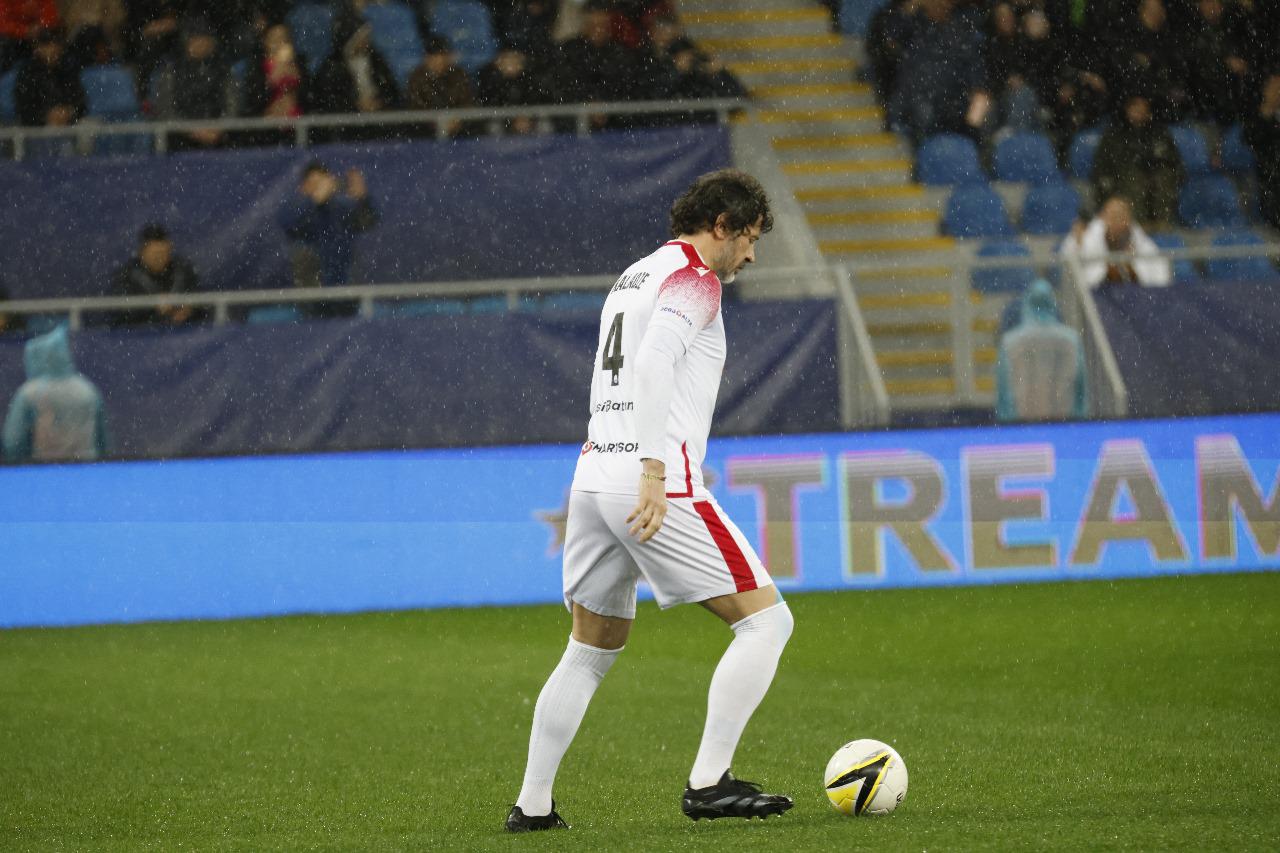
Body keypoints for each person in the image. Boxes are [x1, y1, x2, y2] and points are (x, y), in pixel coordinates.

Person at [506, 169, 793, 832]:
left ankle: (533, 805)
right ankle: (709, 781)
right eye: (749, 237)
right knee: (766, 623)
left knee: (589, 648)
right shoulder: (696, 278)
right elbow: (655, 360)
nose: (751, 254)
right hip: (650, 482)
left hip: (591, 478)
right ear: (721, 225)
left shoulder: (634, 275)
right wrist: (656, 471)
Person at [2, 325, 109, 463]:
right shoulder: (88, 390)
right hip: (87, 468)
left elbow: (13, 443)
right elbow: (104, 442)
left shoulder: (29, 394)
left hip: (44, 470)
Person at [278, 160, 378, 299]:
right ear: (303, 187)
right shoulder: (295, 208)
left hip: (345, 293)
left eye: (322, 183)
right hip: (308, 294)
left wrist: (363, 199)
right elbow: (289, 224)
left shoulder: (340, 209)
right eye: (314, 184)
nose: (319, 188)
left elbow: (367, 222)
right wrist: (314, 201)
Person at [995, 279, 1087, 422]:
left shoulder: (1010, 342)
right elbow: (1080, 392)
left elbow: (1004, 395)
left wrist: (1007, 424)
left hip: (1022, 426)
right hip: (1064, 425)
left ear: (1028, 303)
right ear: (1052, 303)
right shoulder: (1071, 341)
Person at [1091, 94, 1184, 227]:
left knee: (1165, 177)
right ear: (1127, 110)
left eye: (1142, 108)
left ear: (1148, 112)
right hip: (1122, 179)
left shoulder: (1159, 132)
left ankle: (1163, 224)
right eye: (1135, 108)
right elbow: (1102, 163)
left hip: (1155, 176)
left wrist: (1154, 172)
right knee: (1134, 179)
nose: (1138, 112)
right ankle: (1138, 225)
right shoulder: (1114, 134)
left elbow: (1173, 160)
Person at [150, 17, 236, 151]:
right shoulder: (171, 70)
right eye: (195, 39)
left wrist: (218, 129)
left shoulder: (224, 69)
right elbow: (165, 110)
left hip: (219, 140)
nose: (200, 44)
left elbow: (233, 105)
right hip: (180, 141)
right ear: (187, 42)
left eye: (205, 39)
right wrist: (192, 130)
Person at [1059, 196, 1172, 288]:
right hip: (1096, 299)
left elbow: (1160, 272)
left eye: (1121, 216)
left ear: (1129, 219)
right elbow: (1068, 267)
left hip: (1135, 298)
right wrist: (1079, 247)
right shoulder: (1087, 235)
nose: (1116, 221)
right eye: (1112, 216)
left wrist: (1132, 270)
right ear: (1103, 217)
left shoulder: (1139, 239)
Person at [111, 223, 202, 326]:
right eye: (154, 254)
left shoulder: (183, 271)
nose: (159, 258)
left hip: (183, 331)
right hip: (142, 332)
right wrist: (152, 308)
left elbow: (202, 301)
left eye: (163, 253)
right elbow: (118, 312)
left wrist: (188, 310)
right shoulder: (127, 276)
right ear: (142, 253)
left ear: (169, 250)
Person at [14, 25, 84, 128]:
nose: (52, 49)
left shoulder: (67, 69)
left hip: (69, 126)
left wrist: (68, 112)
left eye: (54, 44)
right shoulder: (27, 73)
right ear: (37, 48)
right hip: (37, 129)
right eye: (46, 45)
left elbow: (81, 102)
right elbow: (23, 109)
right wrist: (46, 116)